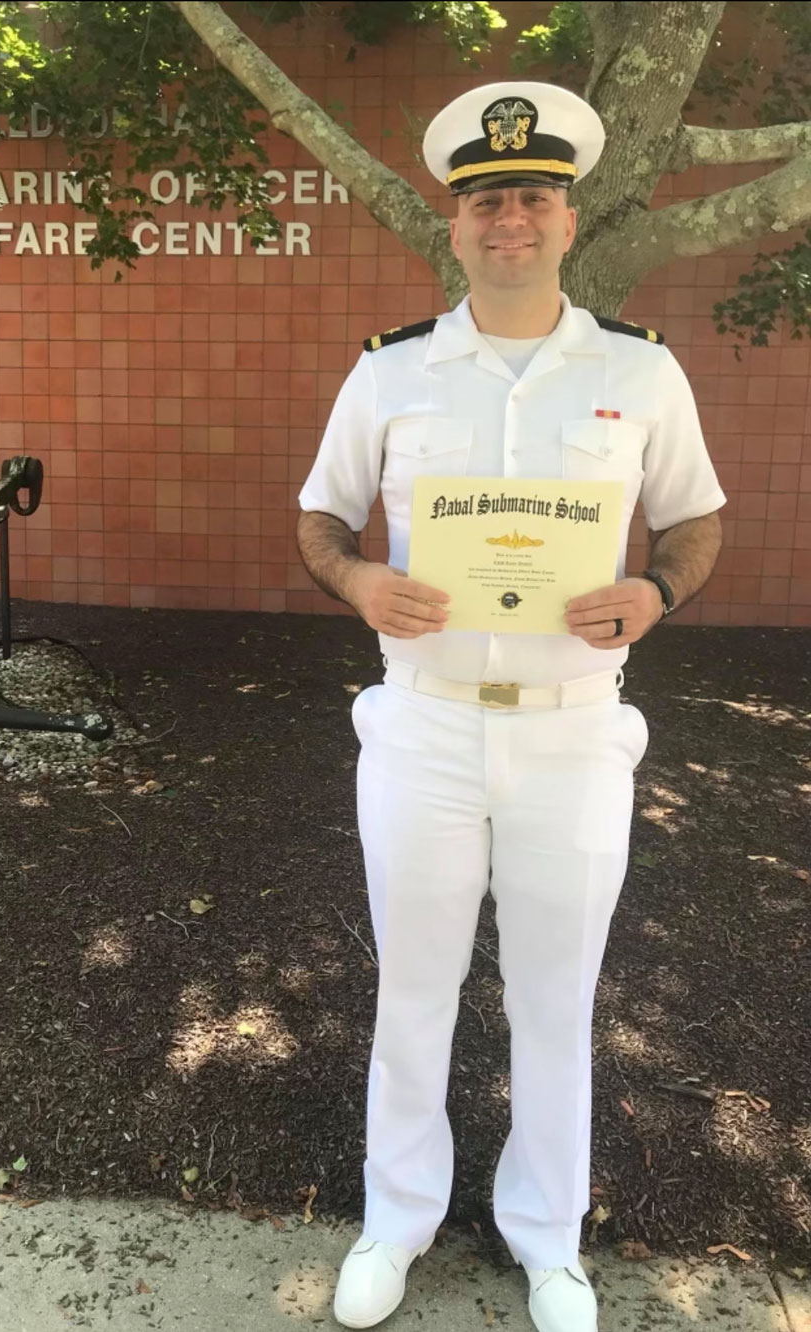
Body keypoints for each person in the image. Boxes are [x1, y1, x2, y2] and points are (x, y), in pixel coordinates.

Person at [296, 80, 725, 1332]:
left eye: (533, 197)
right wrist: (358, 579)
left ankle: (550, 1243)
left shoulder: (640, 372)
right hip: (424, 724)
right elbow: (321, 517)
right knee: (413, 989)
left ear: (569, 219)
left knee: (553, 999)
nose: (510, 220)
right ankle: (395, 1220)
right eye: (487, 201)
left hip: (572, 734)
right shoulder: (392, 372)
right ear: (456, 223)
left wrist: (653, 591)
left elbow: (694, 520)